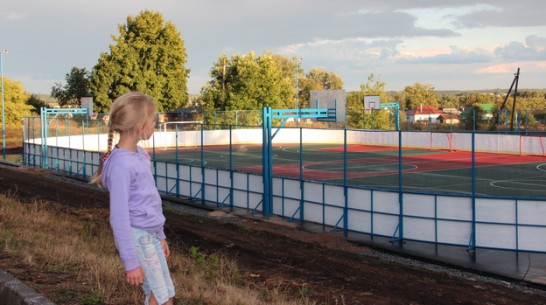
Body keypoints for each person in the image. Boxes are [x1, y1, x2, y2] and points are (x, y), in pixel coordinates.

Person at [90, 91, 175, 305]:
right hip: (139, 238)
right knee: (160, 296)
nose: (154, 126)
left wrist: (160, 234)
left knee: (166, 294)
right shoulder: (122, 165)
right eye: (153, 121)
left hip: (150, 235)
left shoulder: (139, 154)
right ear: (139, 125)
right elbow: (119, 219)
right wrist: (131, 263)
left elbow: (148, 201)